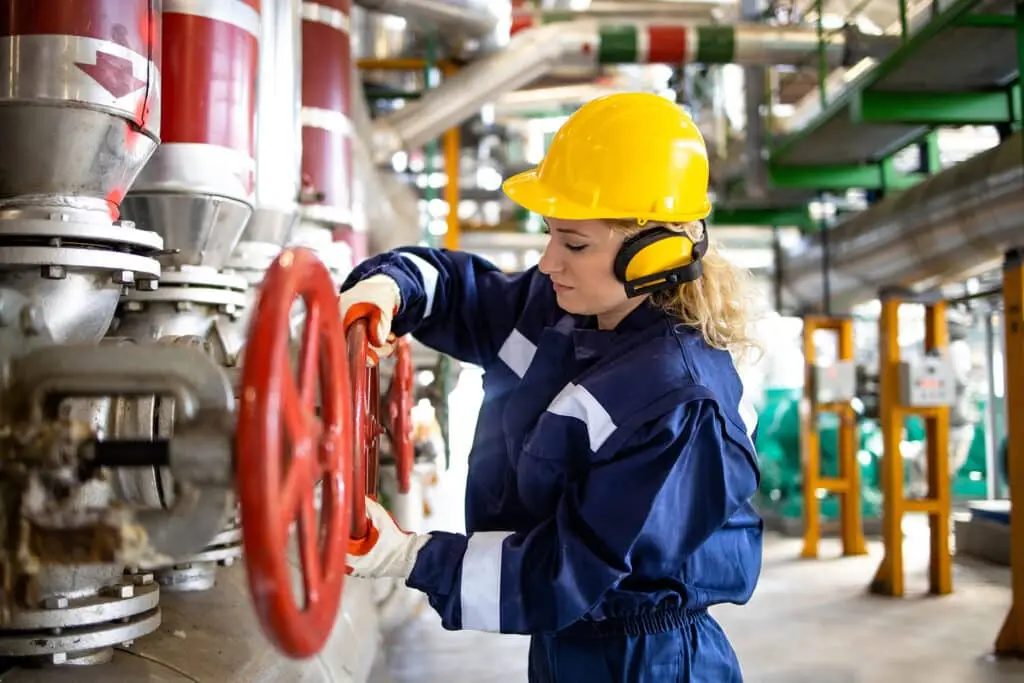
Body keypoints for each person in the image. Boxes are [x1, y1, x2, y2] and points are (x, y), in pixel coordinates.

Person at [339, 92, 763, 682]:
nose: (548, 262)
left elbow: (569, 571)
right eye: (550, 234)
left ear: (653, 254)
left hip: (649, 662)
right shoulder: (556, 313)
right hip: (566, 643)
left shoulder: (677, 402)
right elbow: (463, 294)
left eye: (575, 243)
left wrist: (409, 556)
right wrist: (389, 288)